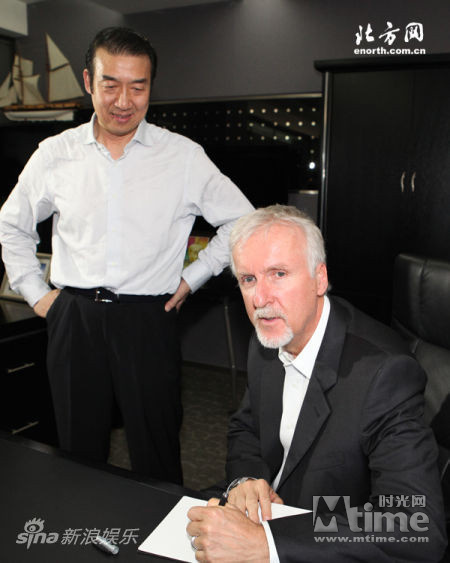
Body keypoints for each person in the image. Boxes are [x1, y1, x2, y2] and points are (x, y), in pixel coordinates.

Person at [0, 27, 253, 484]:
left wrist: (192, 278)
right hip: (74, 317)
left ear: (151, 87)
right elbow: (12, 224)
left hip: (148, 319)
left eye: (138, 87)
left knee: (158, 451)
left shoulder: (182, 156)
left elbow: (241, 220)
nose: (124, 101)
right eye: (110, 84)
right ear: (88, 81)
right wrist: (37, 295)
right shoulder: (55, 154)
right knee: (77, 452)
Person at [187, 205, 447, 561]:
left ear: (319, 279)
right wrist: (246, 481)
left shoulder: (385, 375)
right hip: (267, 515)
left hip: (326, 538)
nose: (260, 299)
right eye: (248, 279)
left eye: (279, 274)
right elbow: (246, 428)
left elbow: (416, 525)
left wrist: (269, 547)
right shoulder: (268, 338)